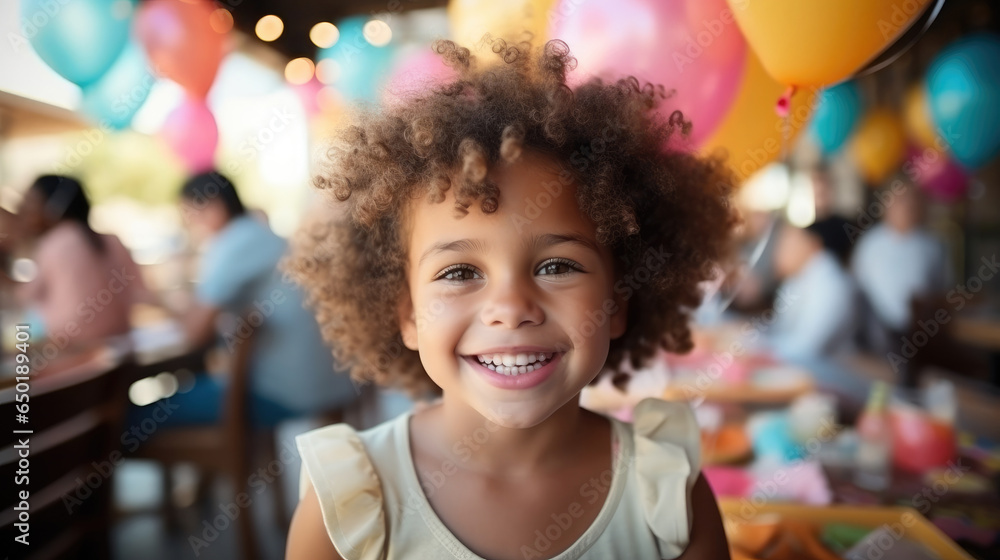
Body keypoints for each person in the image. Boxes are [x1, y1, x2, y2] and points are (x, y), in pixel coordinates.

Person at [285, 40, 737, 560]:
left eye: (557, 266)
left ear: (618, 302)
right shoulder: (349, 507)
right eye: (459, 272)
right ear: (407, 313)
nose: (512, 306)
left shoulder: (669, 496)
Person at [130, 172, 357, 427]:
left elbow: (195, 332)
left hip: (287, 393)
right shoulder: (258, 234)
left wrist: (157, 301)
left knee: (134, 419)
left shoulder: (233, 244)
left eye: (189, 214)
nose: (189, 225)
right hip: (330, 382)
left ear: (213, 208)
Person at [17, 175, 152, 351]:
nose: (25, 211)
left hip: (73, 347)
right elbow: (141, 292)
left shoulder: (53, 243)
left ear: (53, 208)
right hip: (121, 339)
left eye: (32, 204)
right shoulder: (112, 240)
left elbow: (24, 296)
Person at [851, 179, 950, 352]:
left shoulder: (933, 246)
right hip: (876, 334)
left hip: (922, 334)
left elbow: (944, 291)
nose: (907, 205)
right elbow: (857, 290)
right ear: (885, 205)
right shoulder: (870, 243)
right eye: (900, 199)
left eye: (912, 199)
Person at [768, 224, 858, 360]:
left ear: (813, 244)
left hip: (831, 371)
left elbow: (806, 349)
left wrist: (753, 346)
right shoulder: (794, 279)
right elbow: (780, 330)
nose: (778, 253)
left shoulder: (831, 285)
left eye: (788, 245)